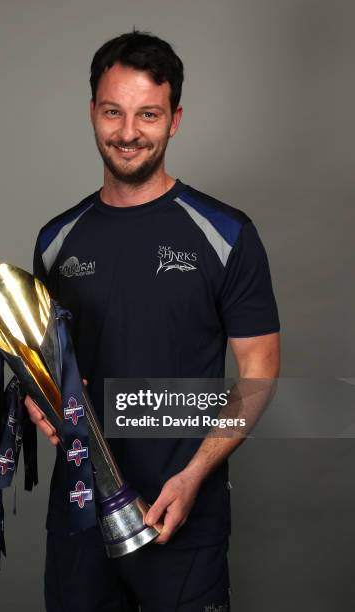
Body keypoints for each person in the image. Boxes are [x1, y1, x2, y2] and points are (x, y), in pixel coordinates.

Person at [25, 29, 280, 612]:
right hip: (79, 518)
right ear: (93, 111)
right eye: (113, 112)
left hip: (181, 514)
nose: (128, 132)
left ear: (175, 119)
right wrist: (33, 395)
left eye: (148, 114)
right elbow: (42, 365)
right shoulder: (55, 240)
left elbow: (260, 371)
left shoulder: (226, 235)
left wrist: (194, 476)